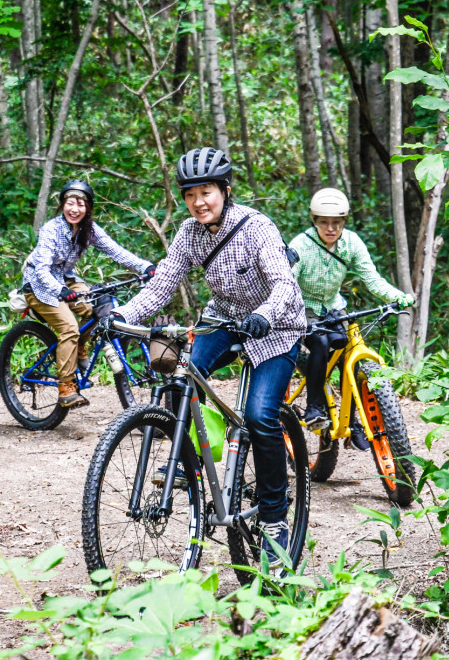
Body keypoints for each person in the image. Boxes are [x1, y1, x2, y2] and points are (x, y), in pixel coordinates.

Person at [113, 146, 306, 567]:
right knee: (183, 374)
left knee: (259, 416)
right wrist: (122, 314)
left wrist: (263, 315)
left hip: (275, 326)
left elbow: (282, 284)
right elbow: (161, 285)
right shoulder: (188, 234)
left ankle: (275, 517)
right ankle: (191, 460)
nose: (199, 201)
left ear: (225, 190)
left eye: (207, 191)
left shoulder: (257, 228)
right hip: (223, 319)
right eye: (190, 194)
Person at [289, 187, 413, 447]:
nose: (331, 228)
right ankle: (314, 409)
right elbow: (286, 283)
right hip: (304, 308)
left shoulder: (352, 243)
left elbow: (371, 278)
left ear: (344, 221)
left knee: (352, 356)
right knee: (320, 344)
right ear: (314, 220)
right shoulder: (300, 245)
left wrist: (397, 295)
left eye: (337, 222)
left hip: (335, 307)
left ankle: (353, 420)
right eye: (324, 222)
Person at [22, 179, 155, 409]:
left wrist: (145, 267)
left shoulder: (89, 229)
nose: (75, 209)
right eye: (70, 203)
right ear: (63, 204)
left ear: (88, 208)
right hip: (39, 285)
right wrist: (61, 291)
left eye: (81, 204)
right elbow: (42, 270)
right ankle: (66, 386)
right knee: (69, 328)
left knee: (96, 310)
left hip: (66, 279)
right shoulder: (51, 230)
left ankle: (79, 347)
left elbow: (116, 251)